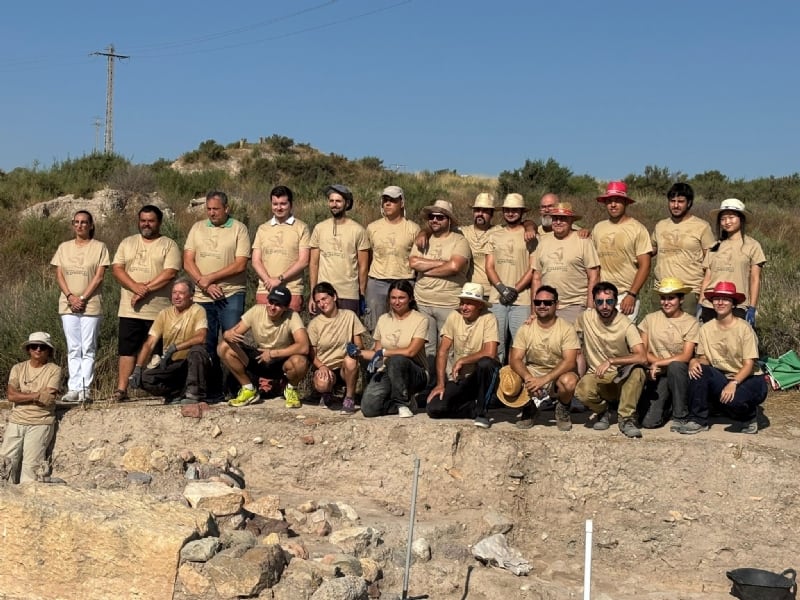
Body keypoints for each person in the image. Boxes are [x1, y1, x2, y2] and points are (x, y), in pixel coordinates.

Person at [183, 191, 251, 401]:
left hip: (231, 294)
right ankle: (211, 389)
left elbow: (240, 264)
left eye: (216, 209)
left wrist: (211, 277)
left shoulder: (239, 228)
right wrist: (203, 282)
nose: (212, 213)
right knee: (206, 342)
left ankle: (236, 386)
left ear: (226, 208)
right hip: (203, 296)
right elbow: (188, 261)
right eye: (209, 209)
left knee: (232, 340)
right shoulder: (197, 228)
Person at [111, 205, 181, 402]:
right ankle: (122, 390)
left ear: (159, 222)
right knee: (127, 350)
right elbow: (117, 269)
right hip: (129, 309)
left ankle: (162, 390)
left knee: (158, 353)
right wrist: (135, 287)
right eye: (143, 220)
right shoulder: (127, 242)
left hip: (158, 310)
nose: (146, 224)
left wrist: (145, 290)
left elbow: (170, 273)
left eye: (150, 221)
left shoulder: (169, 244)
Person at [680, 282, 767, 435]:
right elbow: (705, 358)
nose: (720, 302)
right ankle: (698, 419)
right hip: (722, 376)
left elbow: (749, 364)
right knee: (698, 370)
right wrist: (695, 361)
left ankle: (749, 416)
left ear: (733, 304)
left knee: (734, 400)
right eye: (716, 299)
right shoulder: (706, 328)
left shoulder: (744, 328)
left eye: (725, 299)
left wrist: (733, 383)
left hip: (749, 378)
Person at [496, 286, 580, 431]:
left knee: (569, 381)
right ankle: (529, 408)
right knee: (509, 375)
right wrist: (529, 378)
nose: (542, 306)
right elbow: (515, 358)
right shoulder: (526, 328)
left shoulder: (566, 328)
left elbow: (570, 361)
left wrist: (544, 379)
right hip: (532, 371)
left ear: (556, 305)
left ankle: (562, 408)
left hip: (556, 374)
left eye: (547, 303)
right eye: (538, 302)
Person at [50, 210, 110, 403]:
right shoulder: (63, 247)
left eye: (84, 222)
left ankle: (86, 388)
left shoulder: (100, 247)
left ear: (91, 225)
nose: (80, 225)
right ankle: (73, 388)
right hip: (68, 304)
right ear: (72, 224)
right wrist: (70, 296)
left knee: (88, 347)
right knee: (74, 347)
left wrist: (83, 298)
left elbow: (99, 276)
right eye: (76, 222)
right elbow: (59, 274)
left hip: (90, 304)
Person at [574, 282, 648, 438]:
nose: (605, 306)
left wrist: (612, 361)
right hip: (597, 373)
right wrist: (536, 318)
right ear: (594, 302)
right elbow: (570, 337)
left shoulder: (625, 324)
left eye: (609, 301)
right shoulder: (585, 318)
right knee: (582, 391)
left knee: (638, 372)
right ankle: (602, 412)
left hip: (620, 374)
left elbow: (642, 356)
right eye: (600, 302)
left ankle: (626, 418)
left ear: (616, 302)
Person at [218, 285, 310, 409]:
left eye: (278, 305)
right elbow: (233, 333)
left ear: (286, 307)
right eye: (271, 302)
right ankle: (248, 389)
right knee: (224, 347)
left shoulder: (292, 316)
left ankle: (291, 389)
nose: (272, 307)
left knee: (300, 361)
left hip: (282, 361)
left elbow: (304, 346)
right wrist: (227, 334)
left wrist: (273, 353)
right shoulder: (256, 310)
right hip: (259, 358)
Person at [425, 282, 500, 428]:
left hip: (481, 375)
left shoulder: (489, 318)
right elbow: (443, 350)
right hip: (461, 377)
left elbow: (490, 352)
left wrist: (463, 360)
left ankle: (482, 413)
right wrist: (440, 384)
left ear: (479, 305)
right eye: (462, 303)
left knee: (486, 363)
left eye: (469, 304)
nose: (463, 307)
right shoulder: (454, 316)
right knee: (434, 408)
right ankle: (473, 407)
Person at [409, 200, 471, 373]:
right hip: (423, 302)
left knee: (449, 348)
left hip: (449, 303)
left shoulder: (459, 241)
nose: (435, 220)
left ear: (449, 220)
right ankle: (429, 385)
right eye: (432, 217)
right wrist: (441, 263)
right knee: (427, 348)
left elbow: (454, 267)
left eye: (440, 217)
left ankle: (450, 384)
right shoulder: (423, 239)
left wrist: (426, 269)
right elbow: (413, 262)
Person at [127, 279, 211, 405]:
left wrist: (175, 348)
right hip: (172, 364)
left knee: (197, 351)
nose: (177, 296)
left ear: (191, 296)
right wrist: (138, 368)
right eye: (174, 293)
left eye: (181, 293)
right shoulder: (164, 314)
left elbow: (201, 337)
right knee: (145, 379)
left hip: (190, 362)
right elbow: (149, 343)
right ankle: (175, 394)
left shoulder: (198, 310)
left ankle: (194, 394)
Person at [358, 280, 429, 418]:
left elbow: (411, 351)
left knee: (397, 360)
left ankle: (402, 403)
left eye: (401, 298)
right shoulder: (383, 319)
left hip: (414, 372)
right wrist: (358, 353)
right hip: (387, 370)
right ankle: (403, 404)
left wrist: (385, 352)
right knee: (368, 408)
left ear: (410, 298)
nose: (397, 302)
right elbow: (377, 353)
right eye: (393, 298)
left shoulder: (421, 320)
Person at [637, 277, 700, 430]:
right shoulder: (650, 319)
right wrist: (654, 363)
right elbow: (643, 351)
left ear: (681, 299)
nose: (666, 302)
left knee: (676, 366)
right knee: (648, 423)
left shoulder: (691, 322)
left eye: (671, 298)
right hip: (657, 373)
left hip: (678, 373)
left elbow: (686, 356)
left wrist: (657, 362)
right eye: (663, 298)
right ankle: (667, 408)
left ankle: (680, 415)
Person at [0, 333, 61, 484]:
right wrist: (36, 395)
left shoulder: (54, 370)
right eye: (34, 346)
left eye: (42, 347)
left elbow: (47, 399)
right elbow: (11, 396)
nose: (38, 349)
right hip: (16, 421)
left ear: (49, 350)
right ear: (28, 349)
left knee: (31, 468)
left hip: (40, 422)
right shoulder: (18, 368)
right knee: (5, 463)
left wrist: (24, 395)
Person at [485, 193, 536, 363]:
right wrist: (502, 288)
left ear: (522, 212)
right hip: (497, 298)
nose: (511, 213)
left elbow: (533, 267)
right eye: (507, 210)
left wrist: (515, 289)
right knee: (496, 345)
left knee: (520, 345)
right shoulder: (494, 235)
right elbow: (489, 266)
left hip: (521, 300)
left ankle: (519, 386)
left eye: (515, 210)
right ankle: (495, 386)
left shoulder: (530, 235)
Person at [651, 183, 715, 316]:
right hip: (662, 290)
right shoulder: (661, 225)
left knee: (686, 334)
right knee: (658, 334)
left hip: (688, 291)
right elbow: (649, 251)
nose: (675, 205)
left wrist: (704, 294)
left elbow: (711, 262)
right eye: (672, 201)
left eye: (680, 201)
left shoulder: (702, 226)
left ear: (689, 202)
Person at [699, 199, 766, 325]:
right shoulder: (714, 246)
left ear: (741, 219)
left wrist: (752, 307)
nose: (727, 222)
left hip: (738, 306)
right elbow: (707, 278)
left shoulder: (752, 245)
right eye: (723, 219)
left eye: (731, 217)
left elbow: (755, 279)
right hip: (710, 305)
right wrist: (700, 303)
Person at [592, 182, 653, 321]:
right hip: (602, 296)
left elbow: (645, 265)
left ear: (625, 202)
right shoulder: (598, 228)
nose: (613, 205)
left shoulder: (638, 229)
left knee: (624, 338)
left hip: (625, 295)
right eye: (609, 201)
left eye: (617, 201)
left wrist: (632, 294)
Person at [532, 202, 600, 325]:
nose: (558, 222)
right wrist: (534, 311)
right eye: (555, 218)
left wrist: (590, 309)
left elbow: (594, 276)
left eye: (563, 218)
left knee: (573, 342)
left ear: (571, 221)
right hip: (547, 306)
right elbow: (537, 278)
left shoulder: (583, 241)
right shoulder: (543, 242)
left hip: (574, 306)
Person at [364, 186, 420, 330]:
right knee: (376, 325)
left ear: (401, 203)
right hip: (377, 282)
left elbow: (417, 259)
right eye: (385, 200)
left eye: (392, 200)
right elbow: (367, 257)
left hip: (404, 281)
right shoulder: (372, 228)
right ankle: (377, 351)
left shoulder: (413, 228)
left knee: (403, 325)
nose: (387, 204)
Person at [309, 184, 370, 315]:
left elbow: (363, 265)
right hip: (323, 293)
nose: (334, 204)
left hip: (349, 293)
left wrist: (362, 293)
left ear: (346, 203)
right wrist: (312, 293)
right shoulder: (319, 228)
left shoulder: (358, 230)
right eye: (331, 201)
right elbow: (313, 264)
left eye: (338, 201)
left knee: (348, 334)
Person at [306, 282, 367, 413]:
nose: (322, 304)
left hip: (344, 368)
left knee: (351, 361)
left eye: (324, 299)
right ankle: (327, 393)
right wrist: (321, 366)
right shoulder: (314, 324)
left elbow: (360, 344)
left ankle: (349, 397)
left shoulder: (349, 316)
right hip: (326, 366)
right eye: (318, 301)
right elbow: (312, 353)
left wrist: (353, 349)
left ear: (334, 297)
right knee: (322, 382)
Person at [251, 185, 310, 312]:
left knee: (289, 329)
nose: (279, 208)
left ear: (291, 204)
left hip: (291, 290)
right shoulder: (262, 228)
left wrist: (279, 279)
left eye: (283, 204)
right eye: (275, 204)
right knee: (263, 329)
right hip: (265, 289)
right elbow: (256, 261)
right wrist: (268, 280)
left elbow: (303, 261)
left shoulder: (301, 228)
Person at [460, 192, 501, 298]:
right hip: (468, 290)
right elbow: (440, 228)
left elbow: (521, 225)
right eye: (477, 210)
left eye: (485, 211)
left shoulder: (499, 231)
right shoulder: (463, 232)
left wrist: (530, 226)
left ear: (492, 214)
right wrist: (423, 233)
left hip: (491, 292)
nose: (480, 214)